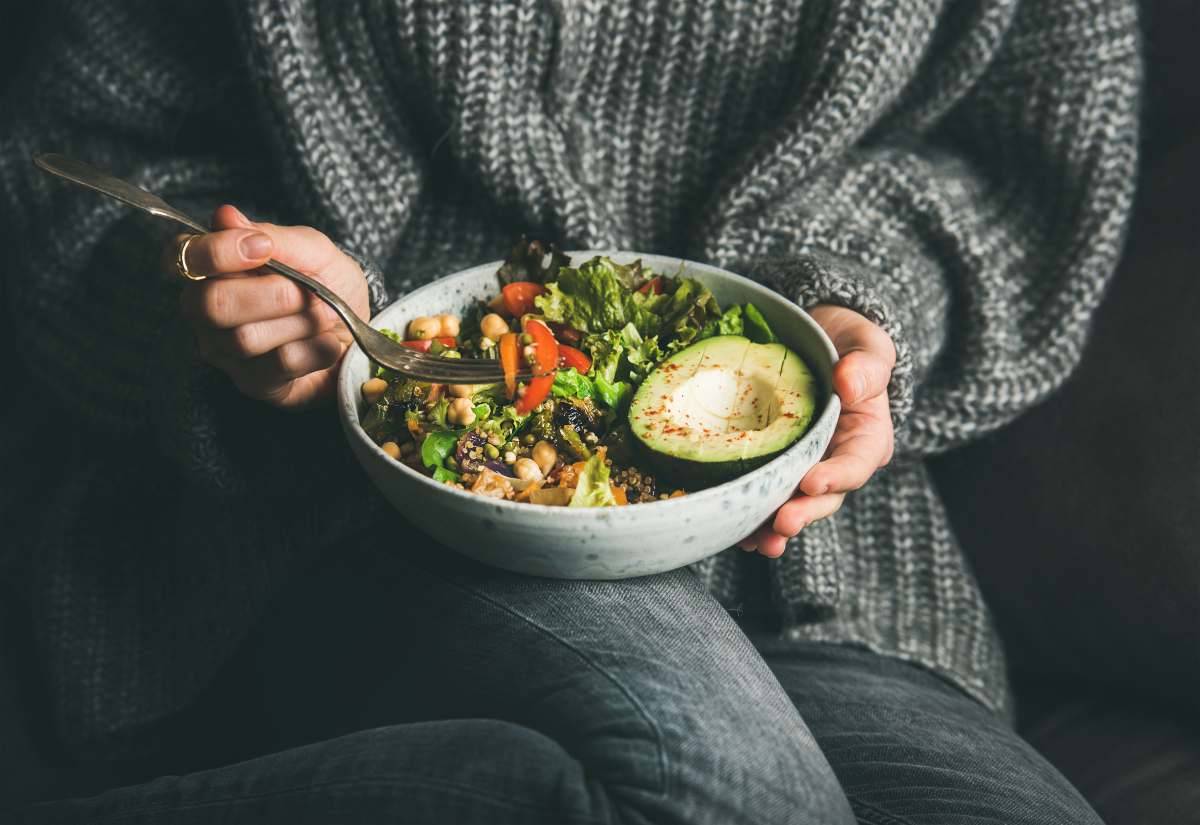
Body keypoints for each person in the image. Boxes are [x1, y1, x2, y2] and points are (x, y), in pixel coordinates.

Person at [0, 0, 1139, 822]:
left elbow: (1019, 164)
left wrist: (859, 315)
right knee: (719, 797)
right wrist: (236, 304)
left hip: (827, 564)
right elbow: (77, 163)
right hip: (353, 507)